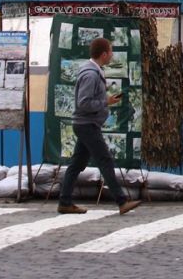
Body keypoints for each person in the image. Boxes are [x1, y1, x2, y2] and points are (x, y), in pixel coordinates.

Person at [58, 37, 141, 216]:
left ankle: (64, 202)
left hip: (86, 124)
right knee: (105, 161)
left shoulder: (93, 71)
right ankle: (122, 201)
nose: (112, 55)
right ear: (104, 54)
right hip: (87, 124)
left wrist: (106, 101)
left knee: (76, 164)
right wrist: (105, 101)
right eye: (110, 51)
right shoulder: (90, 74)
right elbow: (84, 103)